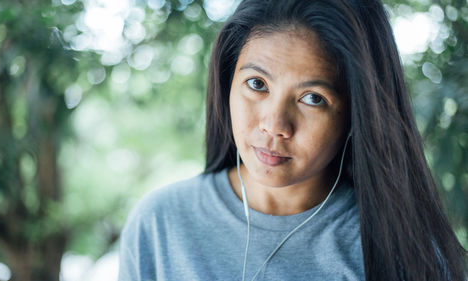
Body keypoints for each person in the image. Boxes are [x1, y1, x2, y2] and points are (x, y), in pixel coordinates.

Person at [118, 0, 467, 280]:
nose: (274, 125)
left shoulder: (405, 254)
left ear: (356, 115)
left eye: (312, 98)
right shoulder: (159, 225)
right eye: (257, 84)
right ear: (227, 83)